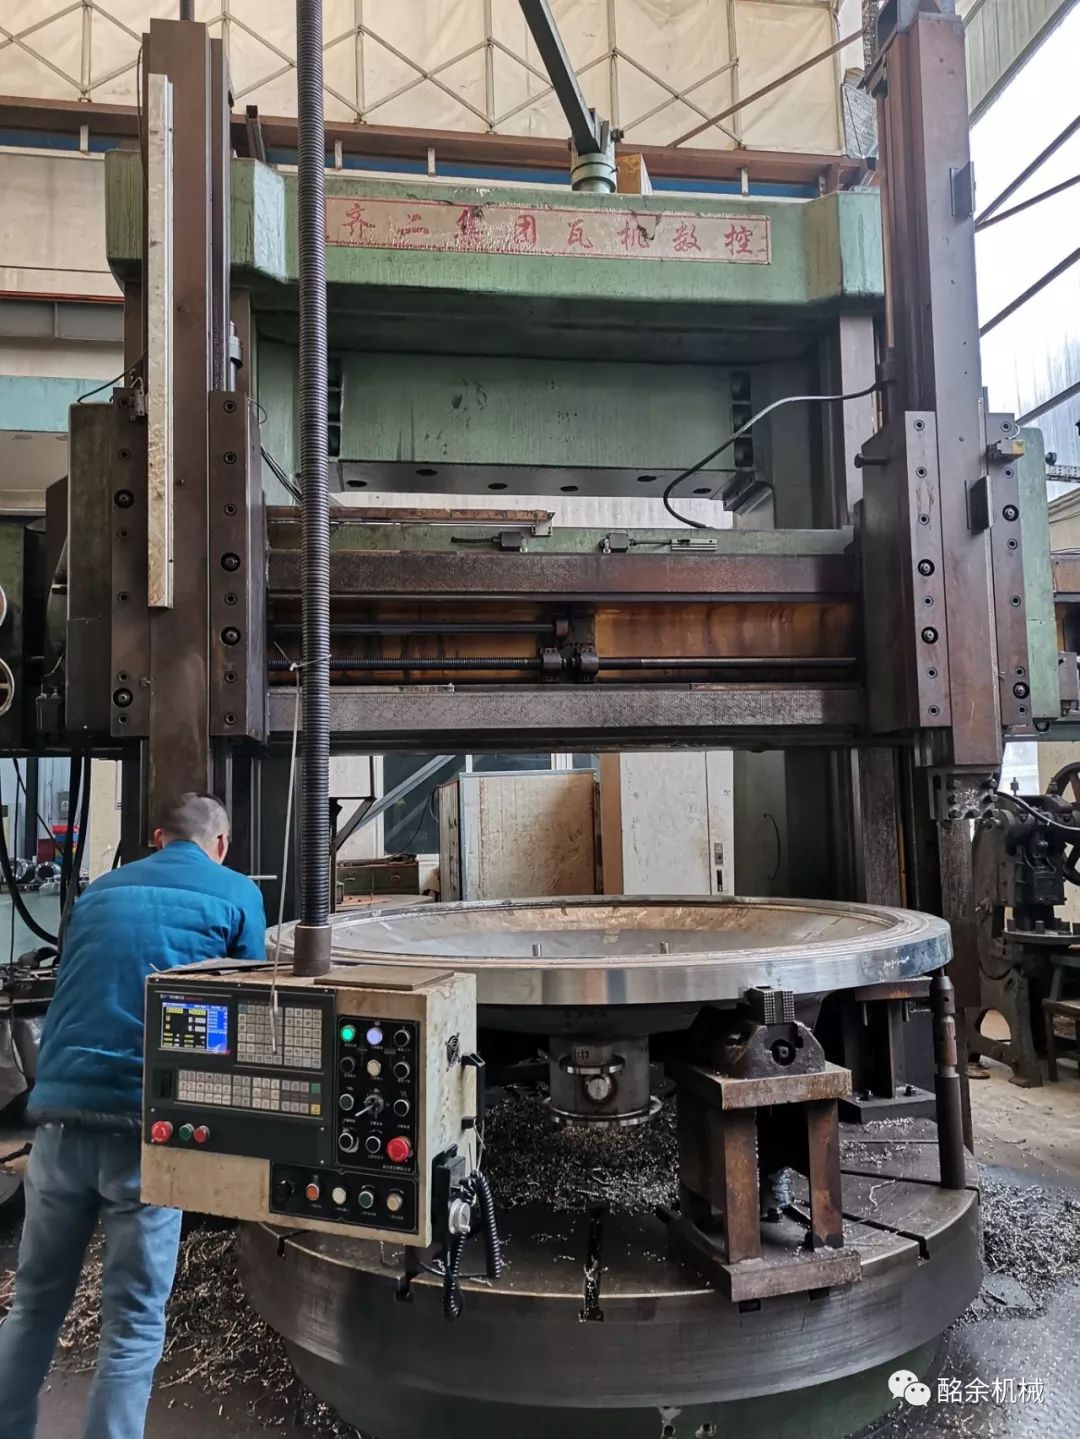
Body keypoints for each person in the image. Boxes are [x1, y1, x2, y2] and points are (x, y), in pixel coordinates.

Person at [0, 792, 266, 1439]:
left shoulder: (97, 894)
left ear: (155, 837)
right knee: (132, 1325)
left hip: (58, 1118)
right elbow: (252, 1011)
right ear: (222, 844)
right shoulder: (238, 894)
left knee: (32, 1305)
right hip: (147, 1131)